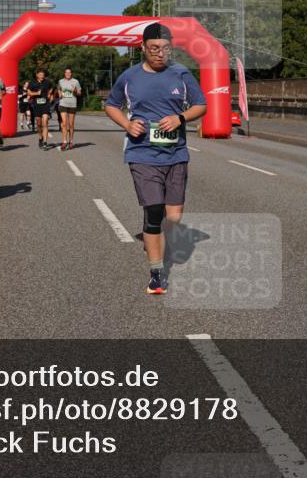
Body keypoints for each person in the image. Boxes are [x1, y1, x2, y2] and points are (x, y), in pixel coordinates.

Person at [104, 23, 207, 294]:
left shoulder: (181, 74)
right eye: (154, 49)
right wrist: (127, 125)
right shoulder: (129, 77)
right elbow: (111, 105)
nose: (160, 54)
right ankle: (156, 274)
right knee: (153, 211)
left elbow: (201, 105)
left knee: (172, 220)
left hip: (176, 154)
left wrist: (180, 118)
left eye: (164, 49)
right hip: (142, 153)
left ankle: (156, 238)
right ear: (143, 48)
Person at [57, 67, 83, 150]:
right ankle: (64, 142)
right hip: (63, 103)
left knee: (71, 125)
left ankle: (71, 141)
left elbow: (79, 93)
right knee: (64, 124)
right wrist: (60, 93)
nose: (68, 74)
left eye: (69, 72)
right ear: (64, 73)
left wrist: (75, 90)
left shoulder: (75, 81)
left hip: (72, 104)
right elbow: (58, 89)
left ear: (71, 73)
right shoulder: (61, 81)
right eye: (66, 72)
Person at [27, 69, 54, 150]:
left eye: (43, 74)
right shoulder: (32, 83)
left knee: (45, 122)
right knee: (39, 123)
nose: (42, 76)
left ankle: (45, 142)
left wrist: (50, 94)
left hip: (45, 104)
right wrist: (36, 93)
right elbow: (29, 92)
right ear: (37, 75)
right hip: (36, 105)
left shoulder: (47, 82)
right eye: (40, 74)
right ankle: (40, 137)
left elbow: (52, 88)